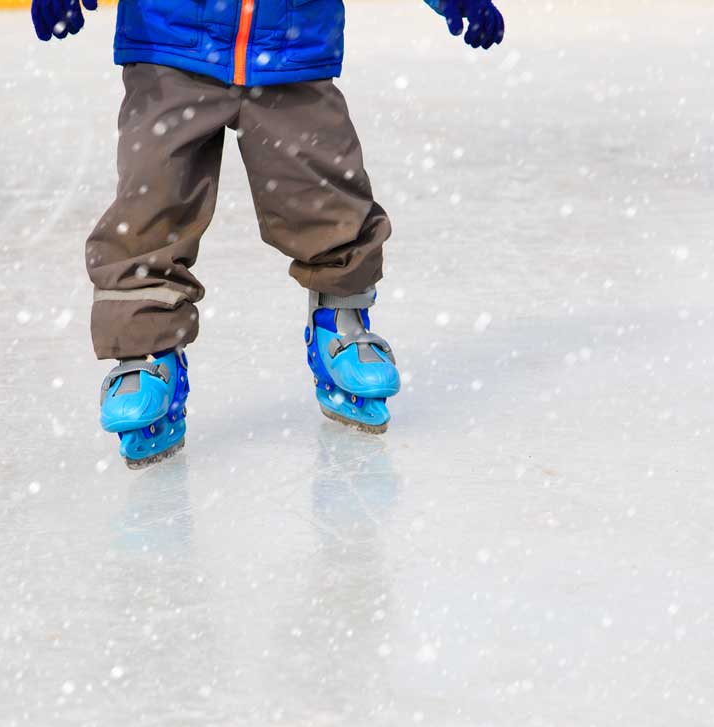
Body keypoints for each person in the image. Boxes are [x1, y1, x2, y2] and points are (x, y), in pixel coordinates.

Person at [32, 0, 505, 468]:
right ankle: (146, 350)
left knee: (324, 196)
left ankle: (339, 320)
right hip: (170, 45)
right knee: (151, 201)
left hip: (293, 44)